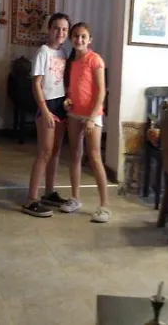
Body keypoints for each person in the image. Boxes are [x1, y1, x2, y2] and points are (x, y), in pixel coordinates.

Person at [60, 22, 111, 223]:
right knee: (75, 155)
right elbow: (73, 88)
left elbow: (101, 91)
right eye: (75, 36)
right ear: (71, 38)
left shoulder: (95, 59)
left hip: (92, 116)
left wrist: (91, 117)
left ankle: (105, 205)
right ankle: (75, 198)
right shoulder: (71, 62)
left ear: (90, 39)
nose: (79, 40)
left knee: (95, 157)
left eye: (83, 36)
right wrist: (68, 99)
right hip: (74, 114)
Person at [22, 13, 70, 218]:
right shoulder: (43, 51)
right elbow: (36, 84)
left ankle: (49, 192)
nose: (60, 32)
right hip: (47, 105)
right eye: (56, 28)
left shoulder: (64, 52)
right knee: (45, 152)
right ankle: (31, 199)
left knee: (56, 150)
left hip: (61, 104)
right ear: (49, 29)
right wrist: (44, 110)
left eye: (64, 29)